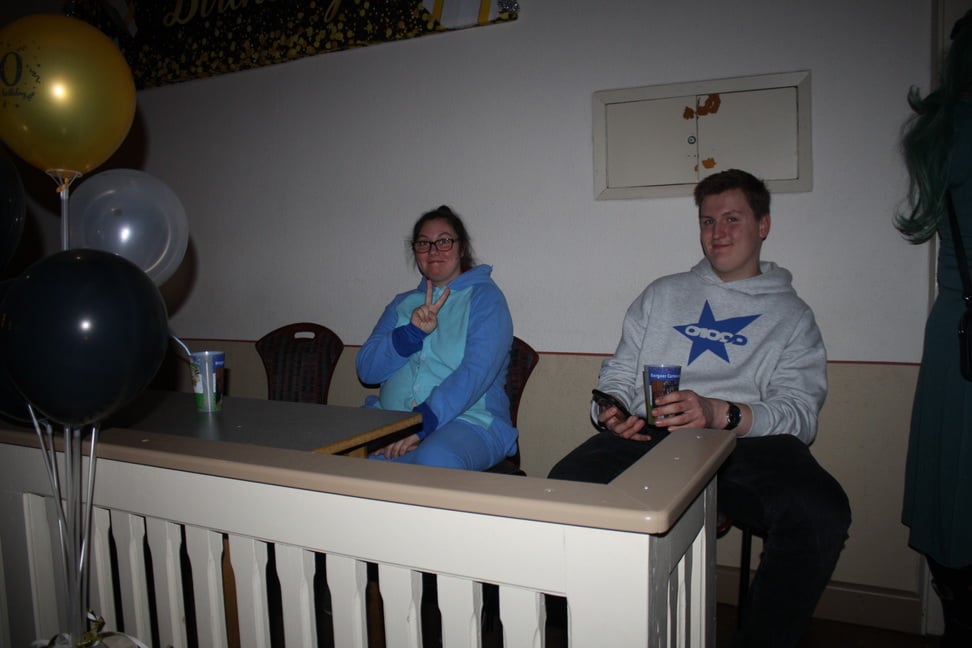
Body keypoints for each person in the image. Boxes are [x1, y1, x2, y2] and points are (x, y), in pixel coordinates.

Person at [548, 169, 851, 648]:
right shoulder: (662, 294)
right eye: (708, 221)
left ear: (763, 225)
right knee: (565, 486)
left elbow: (800, 414)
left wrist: (719, 412)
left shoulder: (793, 316)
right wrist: (611, 409)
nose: (717, 233)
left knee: (820, 513)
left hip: (746, 442)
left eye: (732, 218)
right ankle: (582, 629)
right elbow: (620, 373)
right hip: (652, 433)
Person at [896, 11, 972, 647]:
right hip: (962, 336)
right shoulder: (955, 131)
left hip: (957, 331)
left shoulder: (943, 132)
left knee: (955, 498)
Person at [356, 205, 518, 470]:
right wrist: (411, 334)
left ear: (461, 248)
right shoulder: (401, 303)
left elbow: (475, 372)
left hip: (470, 422)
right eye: (424, 243)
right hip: (389, 419)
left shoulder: (486, 299)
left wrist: (419, 425)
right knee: (334, 452)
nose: (433, 250)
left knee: (435, 459)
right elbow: (367, 370)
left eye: (444, 241)